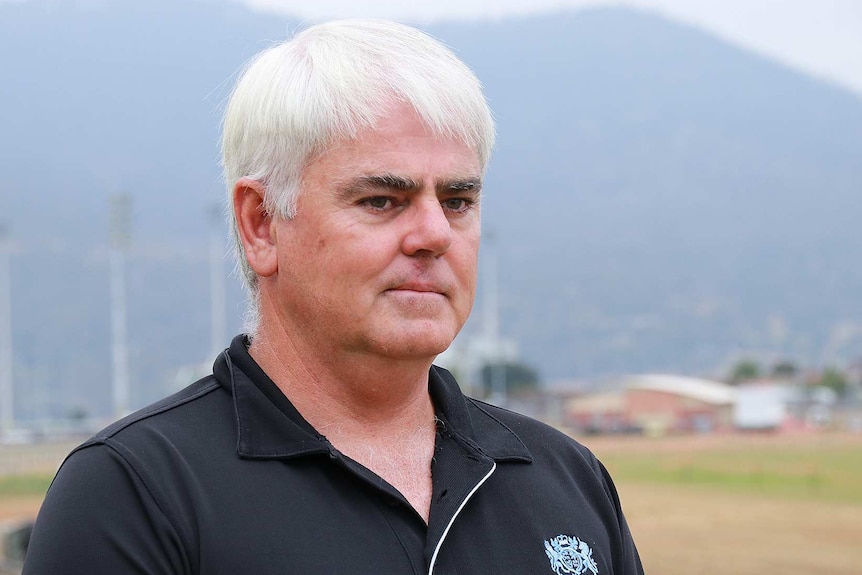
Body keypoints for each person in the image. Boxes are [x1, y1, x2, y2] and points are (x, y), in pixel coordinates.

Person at [24, 20, 643, 575]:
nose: (433, 233)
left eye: (457, 200)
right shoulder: (134, 493)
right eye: (382, 200)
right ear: (261, 224)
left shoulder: (567, 478)